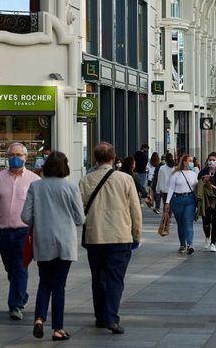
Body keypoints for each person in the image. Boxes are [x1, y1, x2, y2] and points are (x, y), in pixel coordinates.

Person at [79, 143, 142, 335]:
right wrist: (136, 235)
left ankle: (100, 316)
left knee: (98, 278)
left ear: (96, 159)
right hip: (120, 235)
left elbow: (78, 209)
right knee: (115, 278)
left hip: (94, 236)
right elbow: (135, 210)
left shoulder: (85, 180)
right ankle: (112, 318)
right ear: (113, 158)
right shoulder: (125, 179)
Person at [21, 151, 85, 341]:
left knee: (44, 282)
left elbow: (25, 216)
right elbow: (80, 218)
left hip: (43, 242)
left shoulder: (35, 186)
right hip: (65, 243)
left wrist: (39, 221)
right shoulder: (71, 187)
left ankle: (39, 319)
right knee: (59, 286)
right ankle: (58, 328)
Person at [0, 142, 41, 321]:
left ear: (26, 157)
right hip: (4, 231)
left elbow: (40, 208)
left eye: (18, 155)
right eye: (11, 155)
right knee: (10, 268)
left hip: (25, 232)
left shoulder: (34, 180)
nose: (15, 158)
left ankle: (15, 305)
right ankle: (21, 294)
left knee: (19, 267)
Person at [165, 154, 198, 254]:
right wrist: (167, 202)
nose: (191, 163)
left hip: (190, 200)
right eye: (189, 160)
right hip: (177, 199)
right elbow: (171, 188)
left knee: (188, 222)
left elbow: (196, 188)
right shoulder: (176, 174)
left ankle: (190, 244)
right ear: (184, 162)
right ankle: (182, 244)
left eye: (192, 161)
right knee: (180, 223)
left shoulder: (193, 174)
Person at [197, 153, 216, 252]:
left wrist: (214, 186)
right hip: (205, 201)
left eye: (213, 160)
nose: (211, 162)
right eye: (210, 159)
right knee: (206, 221)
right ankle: (207, 236)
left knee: (215, 222)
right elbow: (198, 184)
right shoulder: (203, 172)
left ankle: (213, 243)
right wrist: (203, 180)